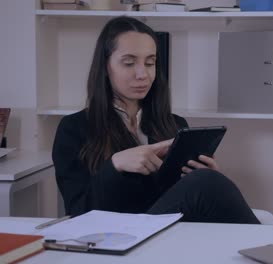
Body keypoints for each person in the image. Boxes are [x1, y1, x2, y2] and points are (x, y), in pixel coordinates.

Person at [52, 16, 260, 224]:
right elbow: (78, 213)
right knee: (207, 183)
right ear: (105, 67)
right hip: (116, 236)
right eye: (129, 63)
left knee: (208, 180)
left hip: (171, 234)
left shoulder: (175, 125)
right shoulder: (73, 129)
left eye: (150, 62)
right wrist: (115, 165)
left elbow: (179, 199)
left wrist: (199, 176)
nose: (143, 74)